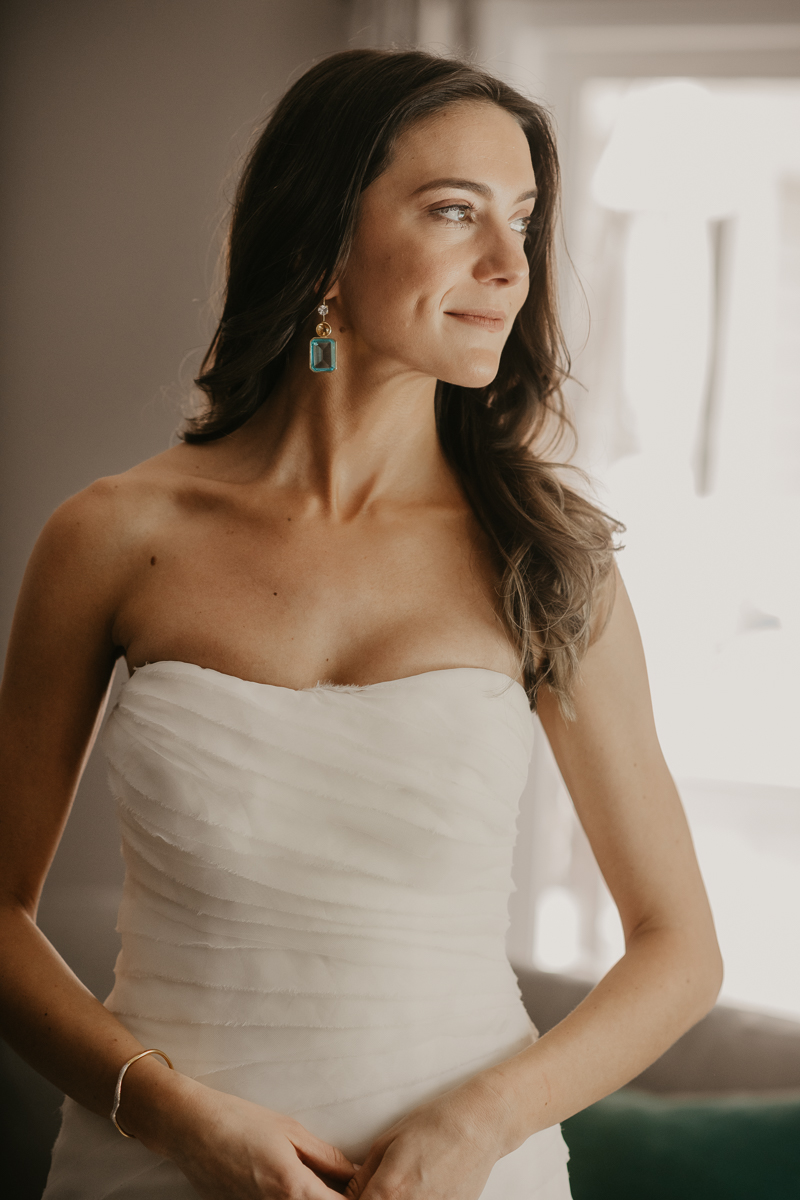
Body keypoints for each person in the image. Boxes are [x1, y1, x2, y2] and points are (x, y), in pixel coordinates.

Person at [0, 48, 722, 1200]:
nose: (506, 267)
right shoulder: (109, 537)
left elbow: (679, 950)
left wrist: (483, 1125)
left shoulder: (541, 556)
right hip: (148, 1173)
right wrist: (176, 1117)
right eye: (454, 212)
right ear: (322, 239)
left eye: (523, 224)